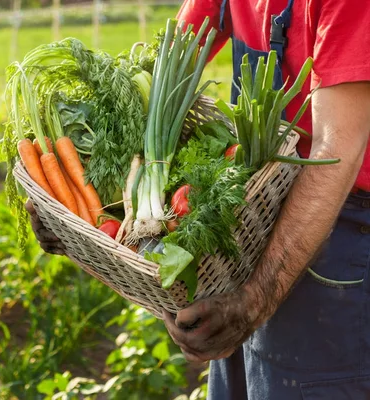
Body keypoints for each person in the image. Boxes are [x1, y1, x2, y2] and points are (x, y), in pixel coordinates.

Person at [25, 0, 370, 397]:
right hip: (253, 216)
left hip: (337, 232)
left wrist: (255, 299)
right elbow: (158, 80)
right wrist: (71, 208)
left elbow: (335, 153)